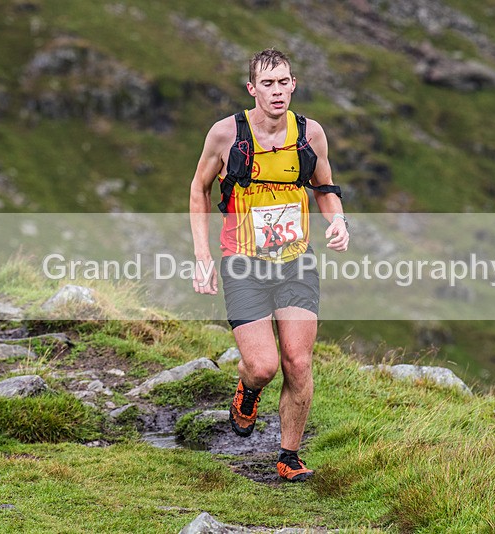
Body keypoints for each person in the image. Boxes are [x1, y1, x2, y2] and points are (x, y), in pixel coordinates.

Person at [189, 48, 348, 482]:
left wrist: (338, 222)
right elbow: (199, 189)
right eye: (267, 84)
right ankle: (248, 388)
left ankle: (289, 457)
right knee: (263, 366)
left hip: (295, 261)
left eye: (283, 83)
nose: (276, 92)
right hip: (243, 263)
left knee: (298, 362)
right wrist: (203, 255)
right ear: (252, 89)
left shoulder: (310, 133)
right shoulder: (226, 134)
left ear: (293, 84)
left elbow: (325, 186)